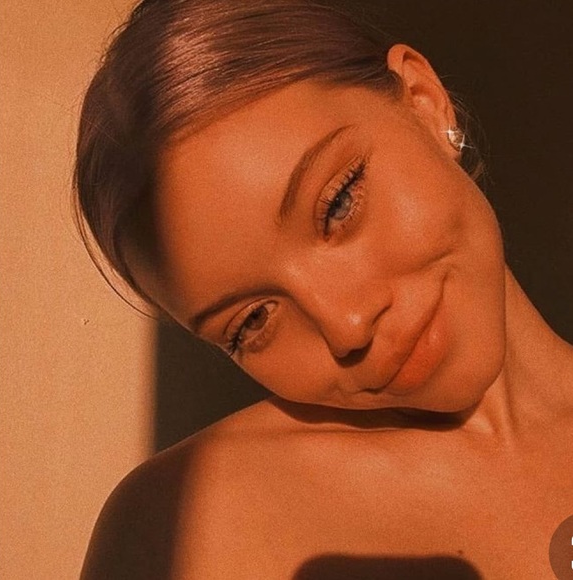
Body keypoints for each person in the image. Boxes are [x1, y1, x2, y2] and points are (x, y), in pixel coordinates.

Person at [76, 1, 573, 578]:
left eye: (338, 203)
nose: (346, 325)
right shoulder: (183, 523)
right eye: (252, 321)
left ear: (424, 103)